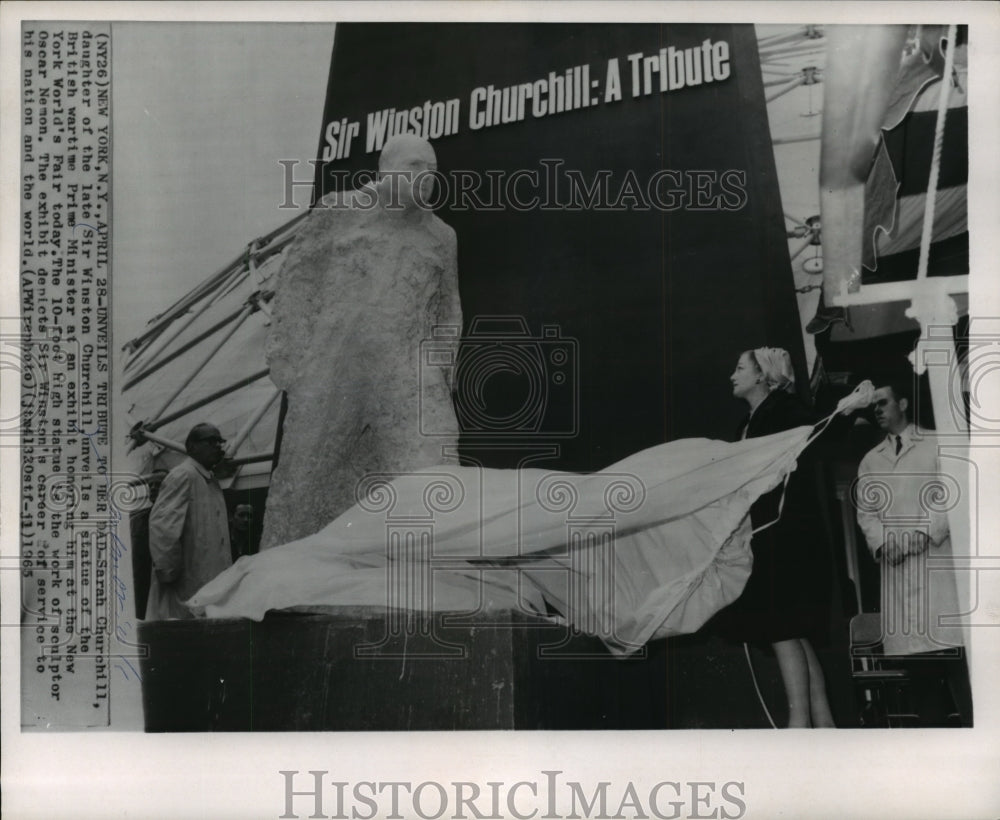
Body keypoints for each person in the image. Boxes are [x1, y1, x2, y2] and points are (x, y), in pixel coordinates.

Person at [261, 134, 462, 548]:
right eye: (415, 167)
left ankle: (433, 569)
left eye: (432, 170)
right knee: (304, 479)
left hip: (407, 372)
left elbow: (448, 311)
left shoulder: (441, 236)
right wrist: (291, 362)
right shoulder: (339, 211)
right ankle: (284, 567)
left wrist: (441, 370)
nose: (427, 177)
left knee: (433, 469)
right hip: (336, 365)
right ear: (386, 170)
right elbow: (298, 282)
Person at [708, 347, 837, 728]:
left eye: (739, 367)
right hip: (764, 538)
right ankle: (824, 722)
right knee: (790, 630)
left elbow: (817, 427)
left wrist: (845, 405)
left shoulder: (784, 410)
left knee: (782, 628)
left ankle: (799, 724)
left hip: (786, 538)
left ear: (763, 375)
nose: (732, 375)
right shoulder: (746, 424)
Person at [855, 380, 971, 726]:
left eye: (883, 402)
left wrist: (927, 531)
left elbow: (953, 494)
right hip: (898, 571)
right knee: (921, 677)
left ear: (903, 403)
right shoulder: (870, 461)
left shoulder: (936, 444)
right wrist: (882, 543)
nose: (877, 409)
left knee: (959, 671)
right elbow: (866, 511)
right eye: (873, 405)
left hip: (939, 569)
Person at [146, 423, 233, 620]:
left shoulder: (210, 481)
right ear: (192, 446)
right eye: (211, 441)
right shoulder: (183, 475)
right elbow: (163, 527)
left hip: (207, 586)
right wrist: (169, 573)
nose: (218, 446)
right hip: (185, 587)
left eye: (220, 442)